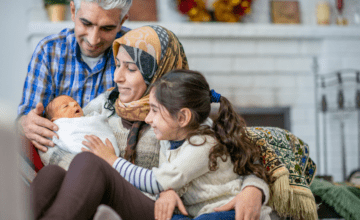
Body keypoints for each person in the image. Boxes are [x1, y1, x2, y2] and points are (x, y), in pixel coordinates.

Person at [30, 25, 267, 220]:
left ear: (158, 73)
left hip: (151, 204)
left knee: (89, 162)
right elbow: (61, 141)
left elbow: (242, 157)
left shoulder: (185, 121)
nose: (117, 77)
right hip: (92, 189)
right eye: (117, 65)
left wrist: (253, 189)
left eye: (130, 69)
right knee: (52, 173)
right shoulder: (100, 107)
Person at [83, 69, 273, 219]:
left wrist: (112, 160)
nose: (148, 118)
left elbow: (156, 181)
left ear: (182, 117)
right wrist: (167, 191)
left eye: (155, 111)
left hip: (229, 212)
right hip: (202, 212)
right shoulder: (170, 140)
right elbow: (170, 181)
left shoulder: (202, 145)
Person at [17, 0, 132, 153]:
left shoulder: (134, 50)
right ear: (73, 11)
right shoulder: (49, 51)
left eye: (107, 28)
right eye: (86, 23)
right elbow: (24, 120)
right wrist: (25, 123)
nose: (93, 39)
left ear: (122, 22)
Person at [39, 95, 120, 170]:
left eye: (76, 103)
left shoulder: (91, 118)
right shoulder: (59, 126)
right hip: (85, 161)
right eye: (66, 106)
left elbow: (100, 126)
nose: (74, 104)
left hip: (108, 153)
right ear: (54, 120)